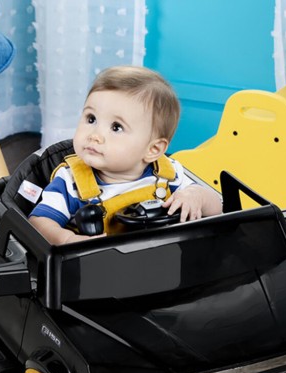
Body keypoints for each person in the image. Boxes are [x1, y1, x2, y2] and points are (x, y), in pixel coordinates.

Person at [28, 65, 223, 244]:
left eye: (116, 127)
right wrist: (67, 239)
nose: (95, 135)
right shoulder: (70, 182)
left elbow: (218, 208)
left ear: (153, 150)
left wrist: (195, 196)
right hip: (98, 264)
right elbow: (39, 222)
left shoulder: (168, 174)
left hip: (162, 257)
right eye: (91, 118)